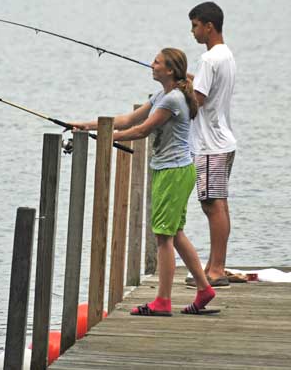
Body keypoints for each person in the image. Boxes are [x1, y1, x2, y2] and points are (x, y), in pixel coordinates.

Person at [73, 48, 217, 316]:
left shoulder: (173, 99)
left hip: (173, 172)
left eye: (157, 62)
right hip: (174, 171)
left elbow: (143, 130)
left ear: (170, 71)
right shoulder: (164, 95)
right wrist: (88, 126)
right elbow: (129, 119)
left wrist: (110, 138)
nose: (151, 65)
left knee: (163, 237)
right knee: (174, 232)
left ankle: (162, 301)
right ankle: (204, 288)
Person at [186, 1, 237, 288]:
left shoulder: (208, 60)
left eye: (195, 25)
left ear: (209, 26)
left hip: (210, 144)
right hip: (224, 140)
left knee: (211, 205)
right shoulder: (226, 55)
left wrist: (176, 90)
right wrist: (189, 81)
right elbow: (208, 88)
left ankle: (216, 270)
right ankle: (216, 265)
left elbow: (199, 100)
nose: (193, 32)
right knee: (219, 204)